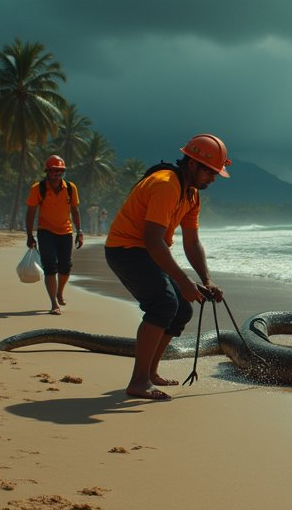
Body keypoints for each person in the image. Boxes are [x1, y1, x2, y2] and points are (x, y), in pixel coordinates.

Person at [104, 133, 230, 400]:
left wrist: (206, 279)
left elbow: (192, 242)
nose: (213, 178)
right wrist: (183, 282)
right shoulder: (166, 185)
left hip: (147, 252)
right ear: (193, 164)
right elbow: (152, 240)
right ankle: (138, 381)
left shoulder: (192, 194)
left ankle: (149, 373)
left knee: (181, 310)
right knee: (162, 304)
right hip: (125, 250)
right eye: (210, 172)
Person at [25, 155, 84, 315]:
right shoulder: (38, 188)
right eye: (53, 171)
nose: (57, 174)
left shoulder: (71, 188)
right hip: (46, 232)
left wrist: (79, 231)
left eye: (60, 171)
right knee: (50, 266)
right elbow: (31, 212)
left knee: (65, 266)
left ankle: (60, 292)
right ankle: (53, 303)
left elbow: (75, 210)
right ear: (47, 171)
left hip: (66, 231)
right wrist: (30, 235)